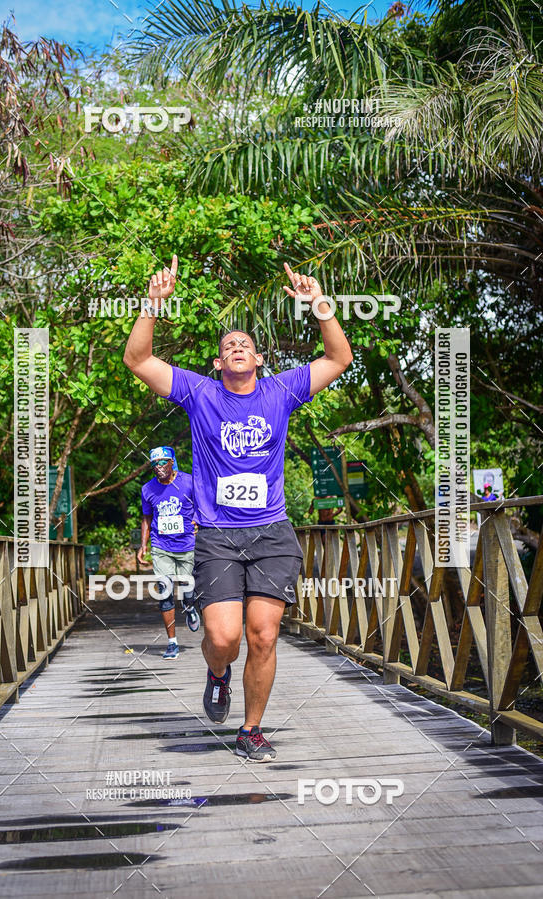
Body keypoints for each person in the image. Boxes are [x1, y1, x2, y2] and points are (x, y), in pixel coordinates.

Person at [124, 256, 352, 760]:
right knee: (224, 638)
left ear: (259, 358)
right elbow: (138, 360)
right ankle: (217, 671)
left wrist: (319, 305)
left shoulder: (281, 391)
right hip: (218, 536)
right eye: (228, 346)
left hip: (271, 533)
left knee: (263, 636)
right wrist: (152, 305)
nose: (236, 347)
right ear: (218, 363)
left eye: (244, 344)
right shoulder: (200, 393)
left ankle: (250, 729)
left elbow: (338, 359)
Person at [138, 445, 199, 659]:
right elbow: (147, 517)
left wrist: (198, 521)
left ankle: (190, 606)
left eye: (162, 462)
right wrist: (143, 544)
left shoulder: (189, 482)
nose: (158, 467)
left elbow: (203, 505)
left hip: (187, 544)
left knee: (187, 587)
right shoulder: (148, 489)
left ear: (172, 461)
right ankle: (172, 642)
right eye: (154, 463)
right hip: (161, 545)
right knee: (164, 591)